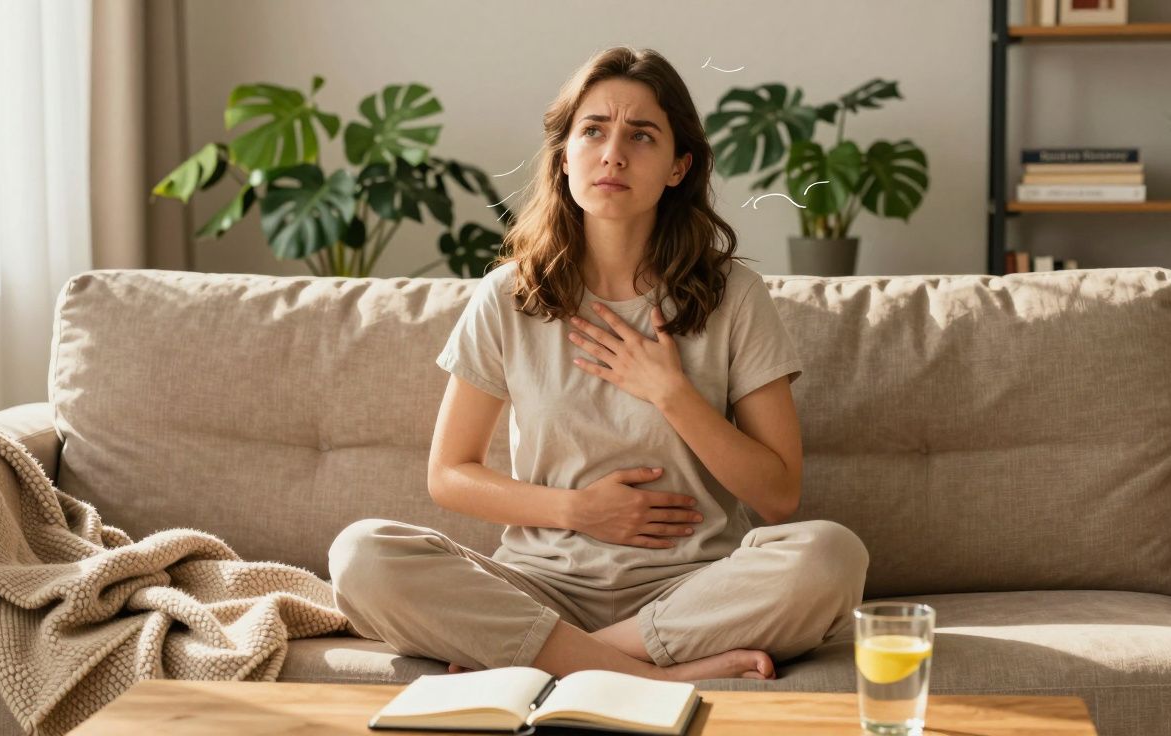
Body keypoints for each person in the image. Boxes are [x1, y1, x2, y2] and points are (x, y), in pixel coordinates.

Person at [329, 45, 868, 683]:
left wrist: (671, 392)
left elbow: (779, 496)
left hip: (694, 588)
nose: (613, 153)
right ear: (563, 158)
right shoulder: (508, 296)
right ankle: (654, 676)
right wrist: (577, 512)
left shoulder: (733, 297)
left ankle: (560, 658)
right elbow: (449, 475)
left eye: (642, 135)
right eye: (593, 131)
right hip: (540, 588)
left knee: (831, 556)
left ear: (677, 167)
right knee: (362, 554)